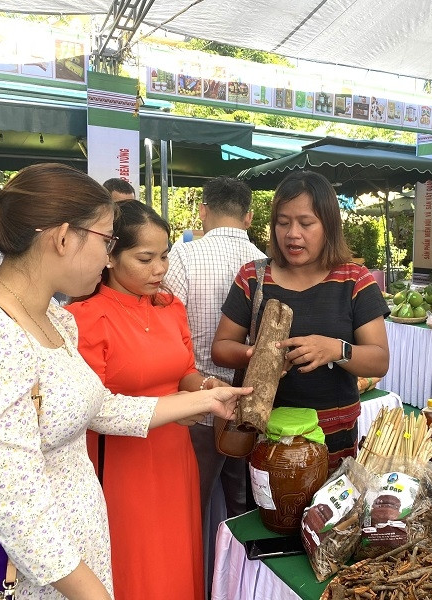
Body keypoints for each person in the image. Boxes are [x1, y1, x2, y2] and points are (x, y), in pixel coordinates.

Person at [0, 163, 249, 599]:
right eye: (107, 240)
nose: (108, 255)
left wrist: (208, 401)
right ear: (63, 237)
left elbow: (103, 407)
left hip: (77, 558)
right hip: (24, 575)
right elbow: (18, 508)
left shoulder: (54, 318)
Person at [67, 200, 215, 600]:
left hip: (174, 456)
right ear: (109, 256)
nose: (160, 269)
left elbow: (184, 370)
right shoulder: (84, 317)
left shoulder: (170, 307)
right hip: (119, 462)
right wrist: (176, 408)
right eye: (145, 258)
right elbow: (91, 408)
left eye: (165, 256)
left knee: (176, 557)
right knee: (137, 562)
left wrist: (205, 392)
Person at [212, 170, 390, 470]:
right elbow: (221, 348)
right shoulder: (253, 278)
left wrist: (336, 349)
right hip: (266, 438)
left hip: (334, 441)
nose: (292, 233)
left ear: (329, 226)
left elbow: (379, 360)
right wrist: (257, 356)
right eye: (283, 222)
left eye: (306, 223)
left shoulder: (355, 281)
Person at [164, 176, 265, 597]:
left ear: (202, 211)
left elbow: (169, 328)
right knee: (246, 507)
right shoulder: (267, 262)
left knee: (192, 507)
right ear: (250, 216)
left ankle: (196, 584)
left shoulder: (182, 257)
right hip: (251, 405)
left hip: (198, 405)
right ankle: (239, 585)